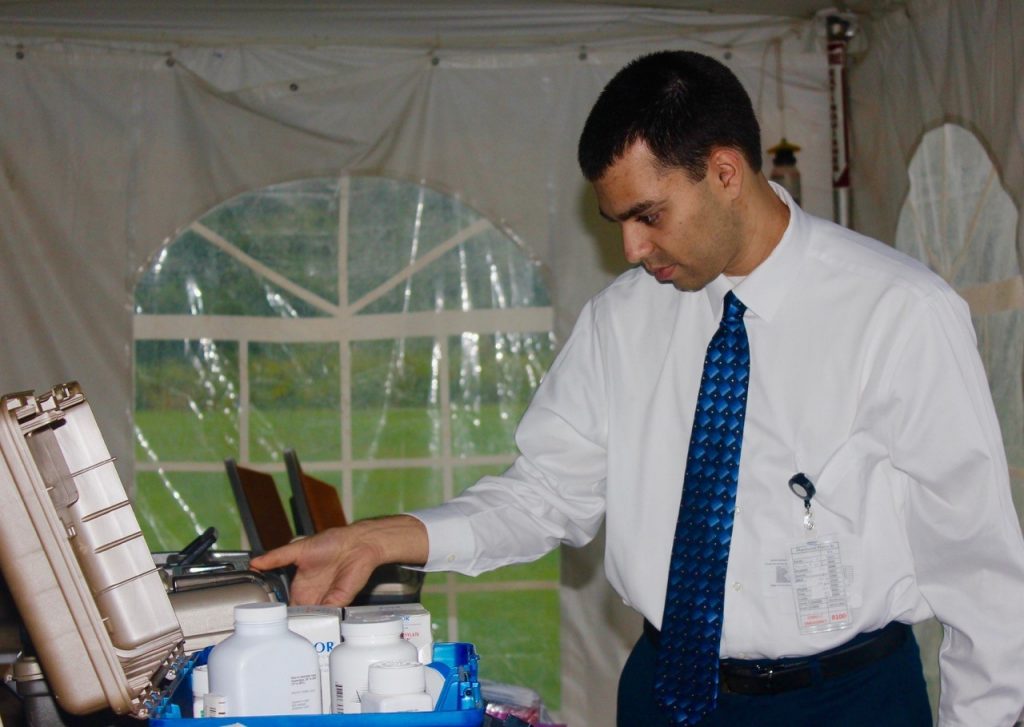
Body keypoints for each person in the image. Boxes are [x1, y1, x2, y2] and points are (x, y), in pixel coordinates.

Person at [252, 50, 1024, 726]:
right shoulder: (622, 320)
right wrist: (387, 536)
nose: (629, 246)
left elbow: (981, 572)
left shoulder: (899, 313)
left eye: (648, 215)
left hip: (844, 700)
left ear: (725, 171)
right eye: (616, 220)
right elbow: (545, 494)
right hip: (663, 691)